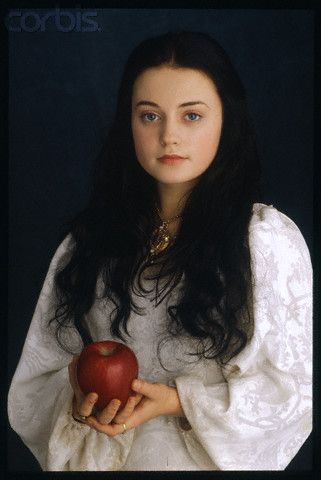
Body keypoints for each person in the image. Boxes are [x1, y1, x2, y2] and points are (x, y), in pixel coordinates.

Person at [8, 30, 312, 471]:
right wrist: (77, 398)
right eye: (150, 116)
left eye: (191, 116)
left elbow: (294, 391)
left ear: (226, 120)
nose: (169, 135)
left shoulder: (263, 239)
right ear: (128, 123)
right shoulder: (90, 242)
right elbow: (38, 380)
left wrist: (179, 402)